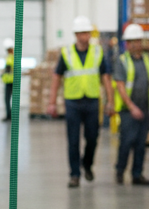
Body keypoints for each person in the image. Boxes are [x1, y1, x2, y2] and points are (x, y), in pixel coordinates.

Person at [47, 15, 112, 188]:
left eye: (87, 33)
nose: (85, 36)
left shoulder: (97, 52)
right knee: (73, 140)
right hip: (73, 102)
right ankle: (74, 174)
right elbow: (56, 77)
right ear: (76, 35)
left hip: (92, 101)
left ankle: (87, 164)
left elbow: (105, 77)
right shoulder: (66, 53)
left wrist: (110, 101)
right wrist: (52, 102)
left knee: (92, 138)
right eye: (82, 33)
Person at [113, 23, 149, 186]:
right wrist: (131, 107)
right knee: (126, 141)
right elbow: (121, 87)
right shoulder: (122, 61)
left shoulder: (147, 60)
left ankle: (137, 174)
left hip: (144, 108)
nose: (134, 45)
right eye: (130, 42)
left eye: (137, 41)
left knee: (140, 144)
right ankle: (120, 171)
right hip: (128, 110)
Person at [1, 39, 14, 122]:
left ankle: (9, 115)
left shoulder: (10, 57)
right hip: (12, 81)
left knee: (7, 99)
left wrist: (3, 73)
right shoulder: (14, 57)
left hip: (9, 81)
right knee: (11, 99)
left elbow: (8, 68)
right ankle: (10, 115)